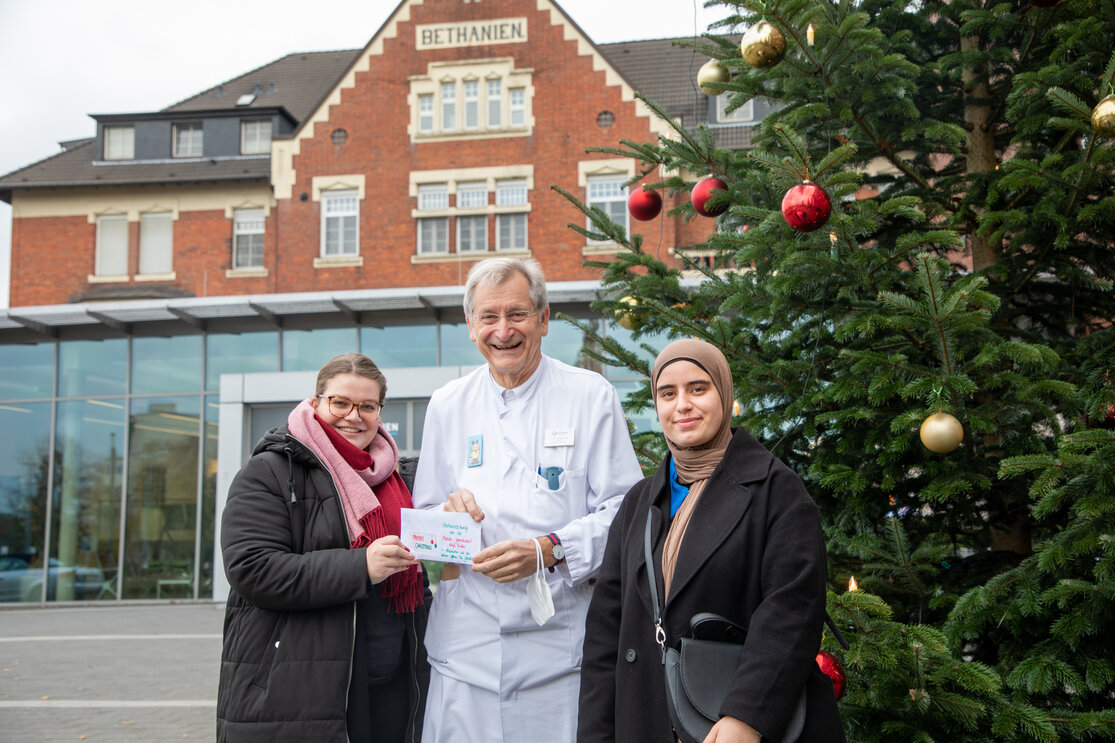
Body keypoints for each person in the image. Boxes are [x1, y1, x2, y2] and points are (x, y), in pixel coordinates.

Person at [411, 257, 643, 743]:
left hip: (559, 658)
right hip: (465, 654)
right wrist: (446, 517)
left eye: (517, 314)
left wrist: (548, 549)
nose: (503, 331)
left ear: (543, 319)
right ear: (470, 325)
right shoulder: (447, 404)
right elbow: (426, 522)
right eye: (488, 317)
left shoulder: (590, 396)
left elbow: (626, 512)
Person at [578, 338, 845, 743]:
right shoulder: (639, 502)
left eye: (698, 389)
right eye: (668, 394)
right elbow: (605, 635)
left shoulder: (777, 490)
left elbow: (792, 612)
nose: (682, 405)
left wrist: (746, 716)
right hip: (646, 720)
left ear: (724, 393)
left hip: (736, 726)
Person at [217, 353, 431, 743]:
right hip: (302, 684)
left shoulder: (399, 477)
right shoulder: (270, 471)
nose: (354, 417)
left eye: (367, 406)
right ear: (316, 403)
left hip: (393, 681)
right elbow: (252, 568)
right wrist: (360, 567)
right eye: (340, 403)